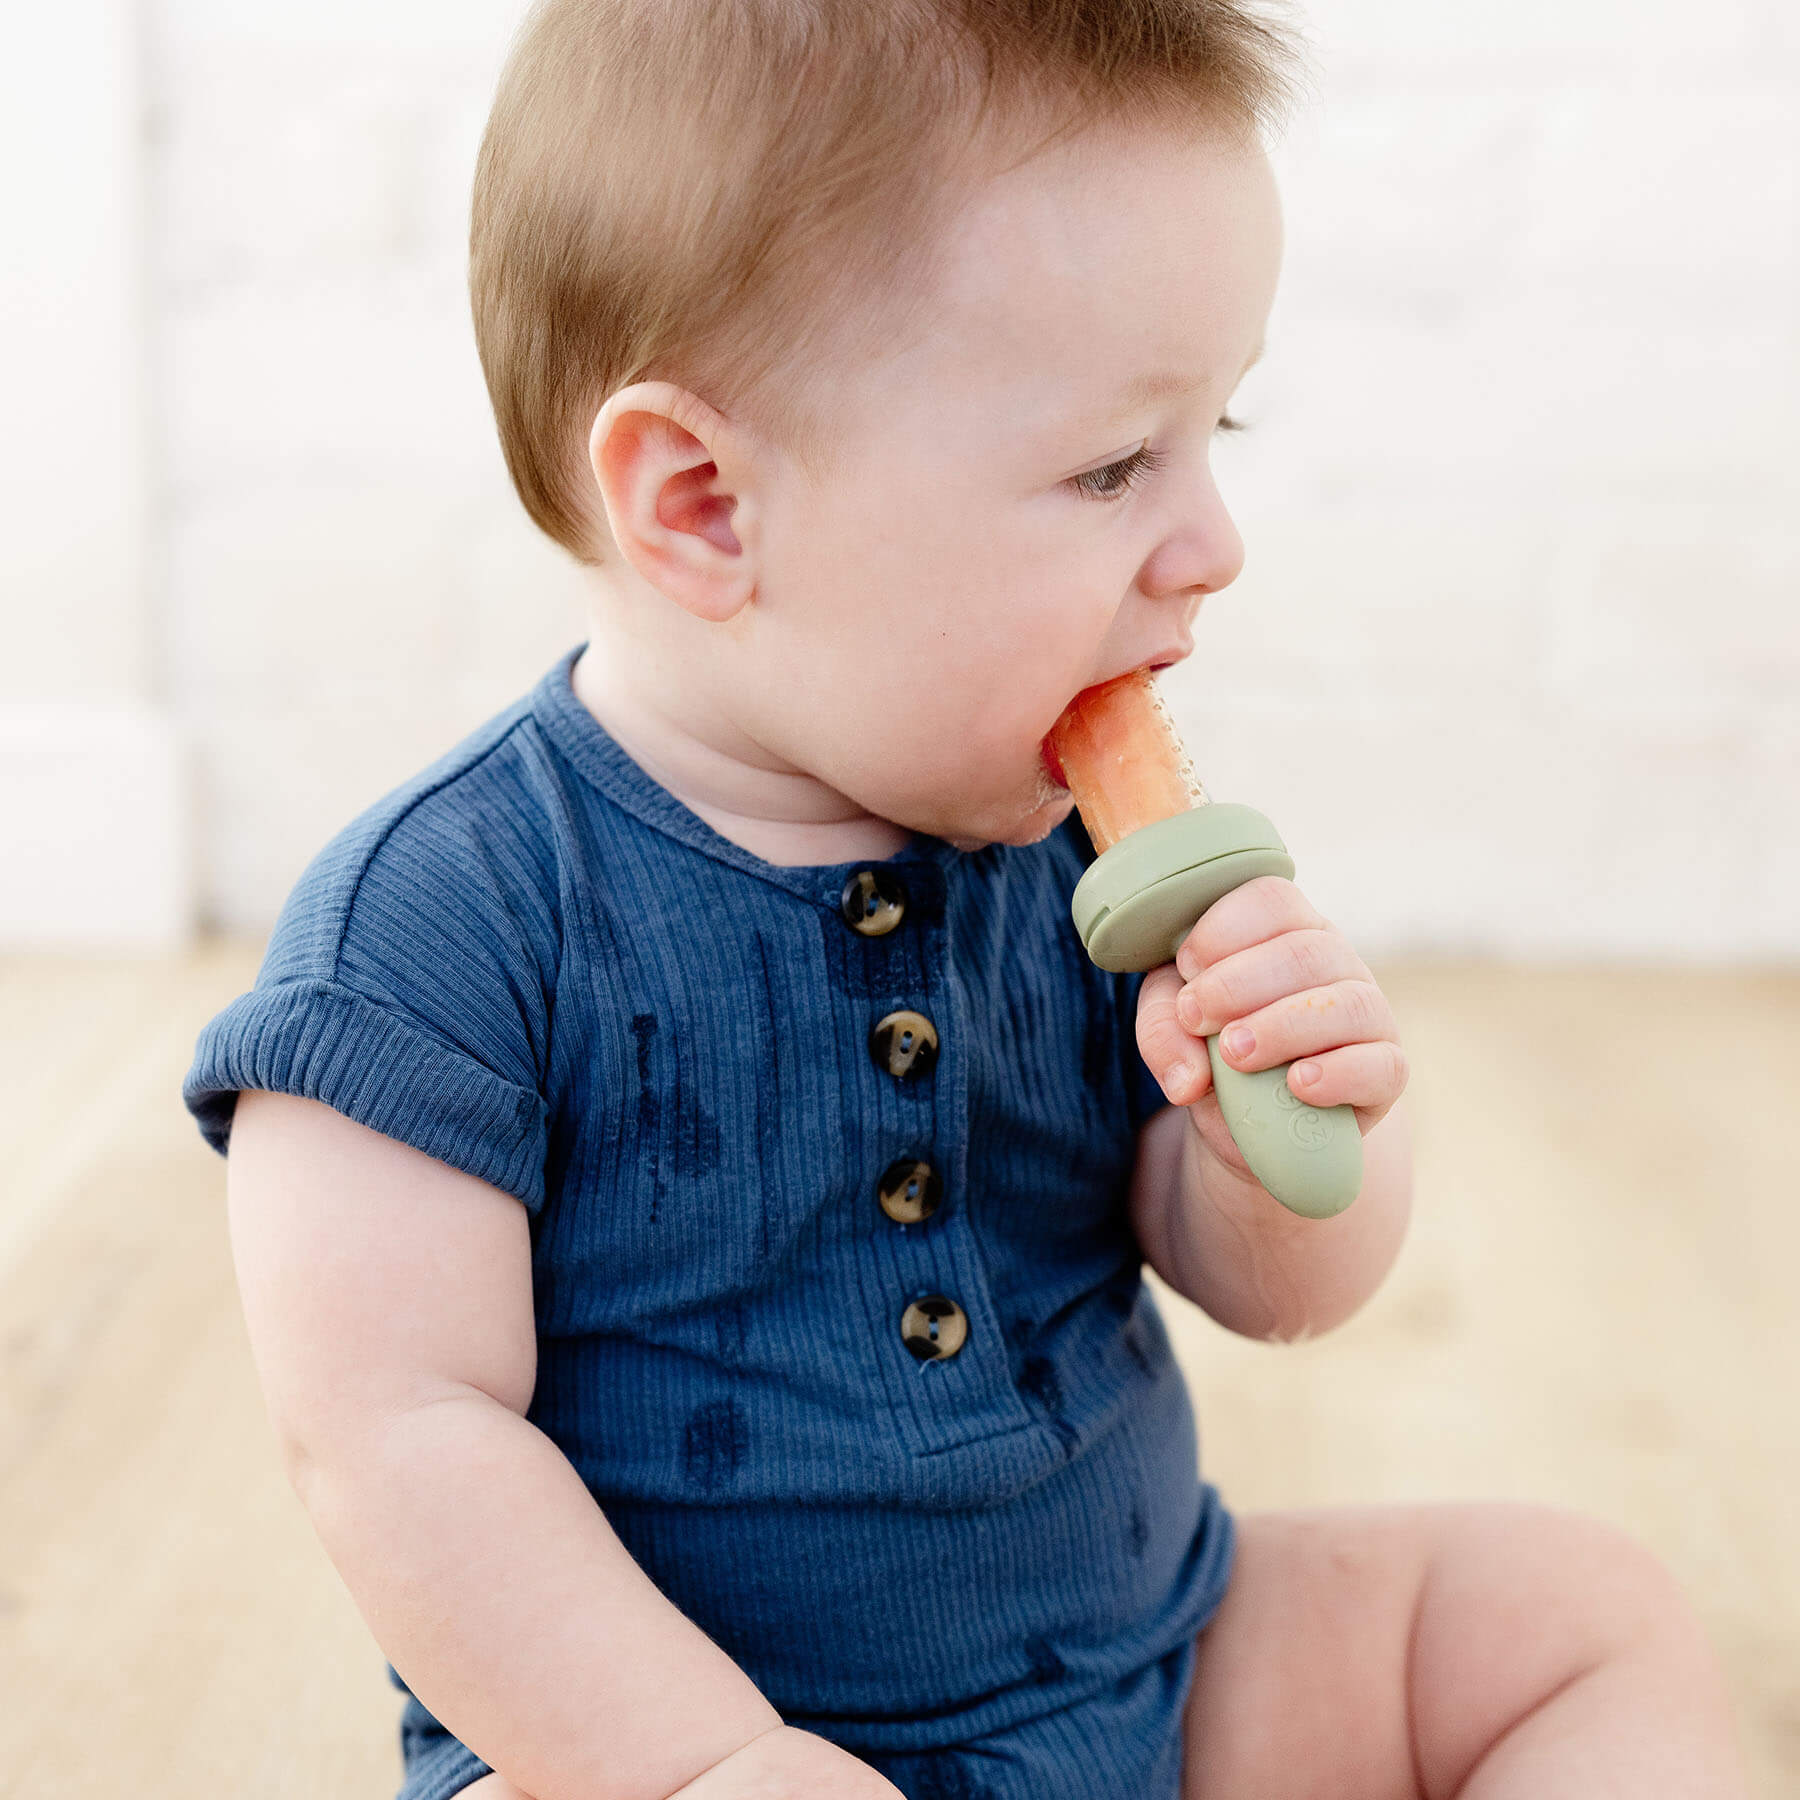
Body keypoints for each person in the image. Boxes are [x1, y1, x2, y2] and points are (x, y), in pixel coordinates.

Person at [181, 2, 1749, 1795]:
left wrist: (1272, 1146)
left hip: (1147, 1673)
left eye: (1218, 426)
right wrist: (707, 1768)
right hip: (665, 1755)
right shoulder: (440, 926)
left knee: (1570, 1618)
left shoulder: (1074, 858)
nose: (1215, 544)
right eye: (1113, 465)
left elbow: (1274, 1290)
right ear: (705, 507)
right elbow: (395, 1441)